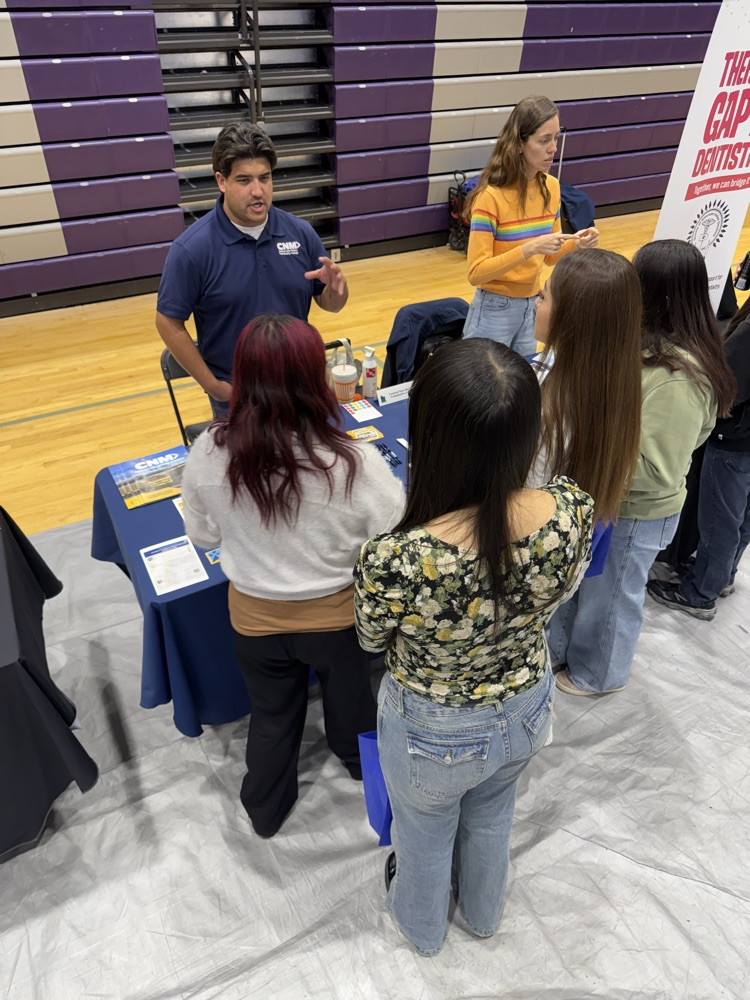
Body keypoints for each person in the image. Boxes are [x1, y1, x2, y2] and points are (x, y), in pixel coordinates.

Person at [353, 339, 594, 956]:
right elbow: (565, 591)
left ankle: (422, 929)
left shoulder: (396, 559)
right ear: (527, 434)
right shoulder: (570, 511)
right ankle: (484, 916)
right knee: (492, 816)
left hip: (432, 728)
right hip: (526, 706)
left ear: (429, 436)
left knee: (424, 835)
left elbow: (371, 639)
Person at [181, 313, 404, 838]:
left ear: (240, 376)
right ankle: (362, 768)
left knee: (272, 717)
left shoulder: (209, 452)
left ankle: (264, 808)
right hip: (337, 624)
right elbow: (391, 536)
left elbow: (206, 538)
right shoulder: (353, 462)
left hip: (255, 623)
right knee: (353, 707)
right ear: (316, 378)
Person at [549, 240, 736, 697]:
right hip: (609, 499)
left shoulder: (680, 377)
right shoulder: (648, 350)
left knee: (612, 598)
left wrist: (588, 454)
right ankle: (568, 654)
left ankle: (599, 674)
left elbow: (659, 468)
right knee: (587, 589)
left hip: (639, 511)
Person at [156, 123, 348, 416]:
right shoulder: (191, 250)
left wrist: (337, 291)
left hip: (301, 388)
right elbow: (167, 322)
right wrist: (214, 386)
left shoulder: (301, 233)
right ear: (222, 181)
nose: (257, 191)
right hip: (238, 399)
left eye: (264, 178)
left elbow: (330, 304)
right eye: (244, 180)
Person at [463, 95, 599, 356]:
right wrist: (529, 248)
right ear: (519, 144)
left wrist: (577, 244)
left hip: (533, 306)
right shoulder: (490, 197)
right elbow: (476, 272)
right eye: (544, 140)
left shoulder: (552, 187)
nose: (553, 149)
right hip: (493, 309)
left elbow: (549, 257)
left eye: (556, 138)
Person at [648, 294, 750, 619]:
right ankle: (722, 577)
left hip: (736, 440)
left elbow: (727, 383)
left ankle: (700, 593)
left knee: (722, 519)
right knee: (742, 516)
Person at [529, 248, 642, 525]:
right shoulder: (618, 386)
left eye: (543, 296)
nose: (536, 303)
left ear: (570, 319)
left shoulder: (548, 409)